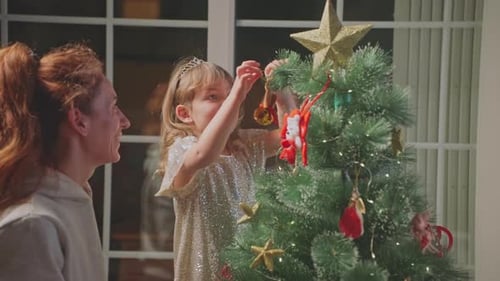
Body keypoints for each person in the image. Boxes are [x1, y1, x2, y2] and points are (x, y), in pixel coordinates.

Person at [155, 57, 295, 281]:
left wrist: (282, 94)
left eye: (228, 95)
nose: (226, 103)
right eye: (212, 97)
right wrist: (237, 93)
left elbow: (291, 137)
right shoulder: (183, 150)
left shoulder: (245, 146)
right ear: (185, 114)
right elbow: (206, 153)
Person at [0, 42, 130, 281]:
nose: (125, 121)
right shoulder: (32, 225)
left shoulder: (73, 198)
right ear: (79, 119)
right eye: (112, 107)